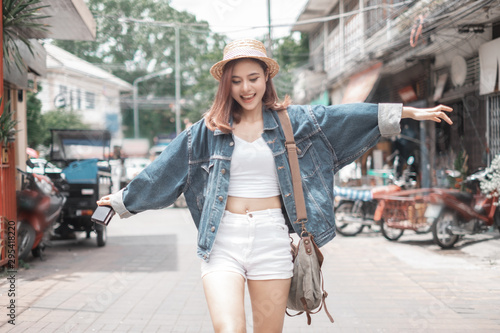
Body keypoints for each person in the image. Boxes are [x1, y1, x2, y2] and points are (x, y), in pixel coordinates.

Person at [97, 39, 452, 332]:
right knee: (228, 329)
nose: (245, 88)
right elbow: (164, 169)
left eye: (253, 78)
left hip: (272, 239)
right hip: (222, 240)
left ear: (266, 77)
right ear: (226, 84)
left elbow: (345, 116)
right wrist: (122, 201)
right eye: (236, 81)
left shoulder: (295, 122)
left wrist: (406, 113)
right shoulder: (207, 130)